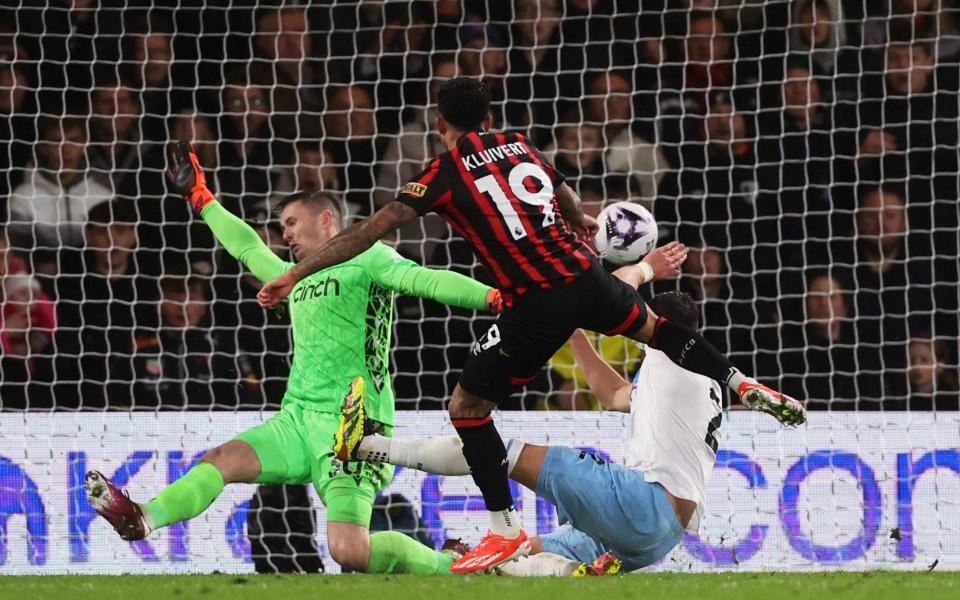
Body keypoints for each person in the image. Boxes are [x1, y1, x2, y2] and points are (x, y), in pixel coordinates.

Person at [255, 77, 806, 573]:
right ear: (490, 119)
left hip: (534, 299)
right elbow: (560, 186)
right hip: (585, 275)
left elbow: (369, 232)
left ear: (440, 124)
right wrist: (578, 220)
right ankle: (739, 382)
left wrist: (295, 274)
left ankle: (503, 529)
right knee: (659, 331)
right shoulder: (519, 144)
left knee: (467, 410)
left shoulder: (444, 171)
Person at [85, 142, 502, 575]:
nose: (284, 234)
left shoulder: (368, 255)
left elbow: (423, 280)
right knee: (221, 460)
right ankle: (143, 518)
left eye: (291, 223)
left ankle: (450, 562)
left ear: (326, 220)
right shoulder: (292, 276)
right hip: (298, 419)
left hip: (354, 426)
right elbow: (247, 247)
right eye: (282, 226)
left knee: (350, 553)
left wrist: (491, 297)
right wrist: (202, 198)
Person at [335, 291, 724, 575]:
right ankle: (570, 571)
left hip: (643, 502)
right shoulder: (693, 379)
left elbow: (613, 291)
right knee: (517, 556)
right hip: (658, 538)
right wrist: (575, 335)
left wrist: (625, 276)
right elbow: (614, 395)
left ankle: (367, 445)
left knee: (494, 450)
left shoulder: (670, 361)